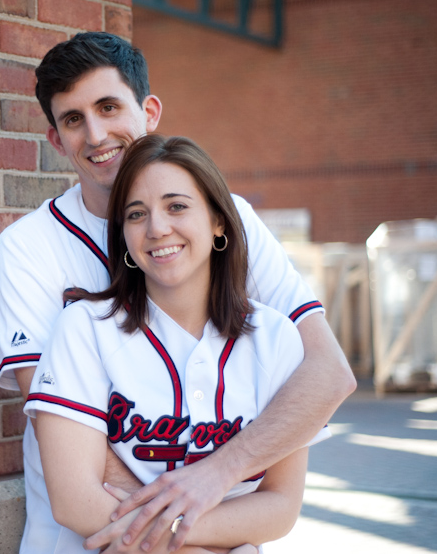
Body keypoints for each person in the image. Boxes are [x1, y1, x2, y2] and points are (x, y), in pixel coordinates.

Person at [0, 32, 355, 554]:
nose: (96, 135)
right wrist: (192, 538)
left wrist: (213, 478)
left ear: (150, 110)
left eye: (109, 106)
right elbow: (63, 431)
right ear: (56, 139)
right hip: (84, 539)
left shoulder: (226, 216)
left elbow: (327, 372)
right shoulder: (29, 245)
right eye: (73, 119)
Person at [24, 134, 329, 553]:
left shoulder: (276, 339)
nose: (157, 228)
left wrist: (184, 537)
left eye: (177, 206)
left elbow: (280, 505)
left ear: (219, 221)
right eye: (136, 214)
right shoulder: (84, 327)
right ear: (124, 237)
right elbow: (74, 500)